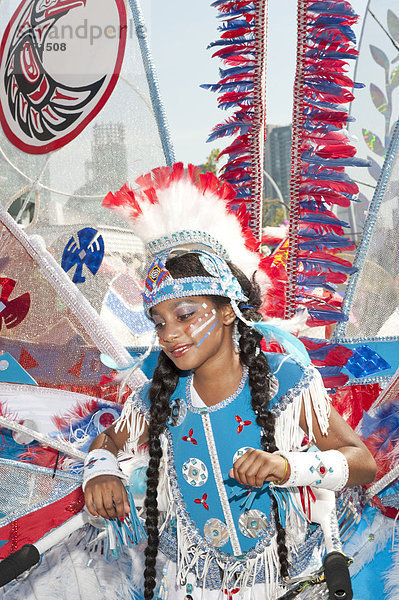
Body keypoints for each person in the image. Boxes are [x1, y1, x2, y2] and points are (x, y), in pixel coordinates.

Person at [83, 164, 377, 600]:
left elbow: (363, 463)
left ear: (226, 312)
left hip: (290, 583)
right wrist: (100, 473)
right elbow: (107, 440)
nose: (170, 335)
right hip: (194, 586)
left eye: (185, 315)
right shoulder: (158, 396)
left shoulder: (287, 381)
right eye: (159, 322)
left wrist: (287, 468)